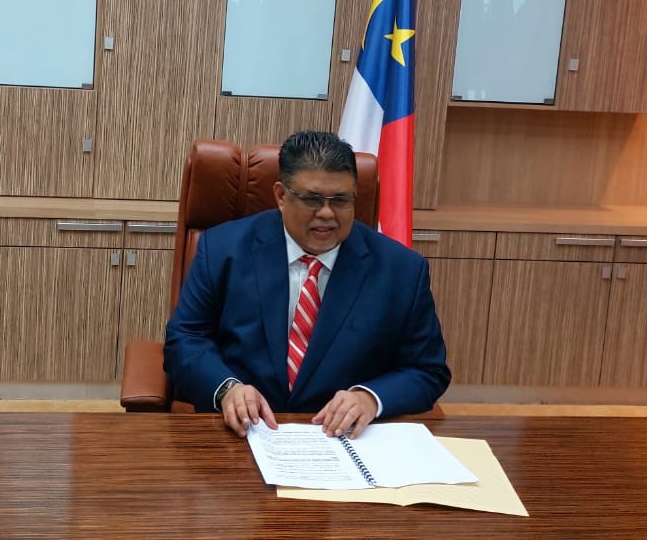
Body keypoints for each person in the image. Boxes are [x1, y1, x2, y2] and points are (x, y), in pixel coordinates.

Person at [163, 130, 450, 439]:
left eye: (341, 200)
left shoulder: (401, 270)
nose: (326, 213)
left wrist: (370, 398)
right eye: (312, 199)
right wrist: (227, 389)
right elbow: (185, 340)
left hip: (343, 439)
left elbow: (428, 370)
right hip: (243, 433)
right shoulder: (223, 249)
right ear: (281, 196)